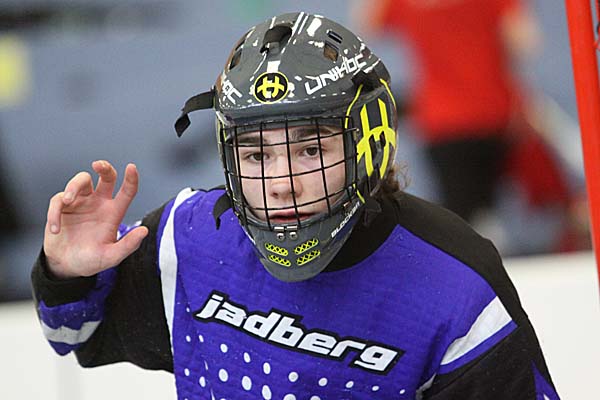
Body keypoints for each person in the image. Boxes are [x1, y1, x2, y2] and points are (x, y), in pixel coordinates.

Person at [31, 12, 560, 399]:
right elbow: (76, 338)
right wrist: (68, 275)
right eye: (256, 154)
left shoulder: (453, 281)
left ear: (367, 144)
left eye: (310, 150)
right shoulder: (189, 237)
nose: (282, 184)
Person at [354, 0, 580, 255]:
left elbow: (367, 27)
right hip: (493, 115)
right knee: (518, 204)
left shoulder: (410, 4)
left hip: (441, 122)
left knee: (460, 216)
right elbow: (525, 41)